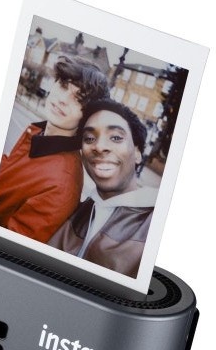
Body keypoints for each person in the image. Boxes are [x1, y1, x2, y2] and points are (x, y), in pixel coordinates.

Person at [0, 56, 110, 243]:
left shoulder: (61, 185)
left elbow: (5, 246)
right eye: (63, 86)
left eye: (78, 99)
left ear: (88, 117)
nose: (63, 100)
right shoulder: (39, 133)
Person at [48, 99, 158, 278]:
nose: (99, 147)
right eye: (89, 139)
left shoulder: (155, 226)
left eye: (116, 137)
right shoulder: (74, 208)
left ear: (138, 153)